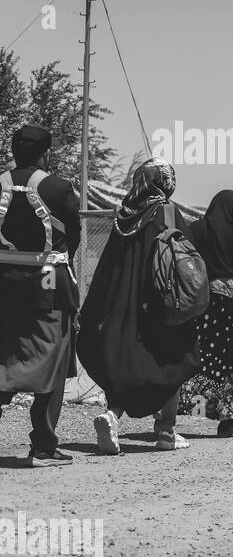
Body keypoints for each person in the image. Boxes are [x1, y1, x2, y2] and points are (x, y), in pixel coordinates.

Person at [79, 159, 201, 453]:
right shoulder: (167, 211)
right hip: (159, 302)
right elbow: (183, 253)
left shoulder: (124, 216)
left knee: (127, 363)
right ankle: (166, 432)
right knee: (176, 358)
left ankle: (113, 416)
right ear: (163, 182)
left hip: (123, 306)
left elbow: (108, 265)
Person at [0, 125, 81, 467]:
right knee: (51, 359)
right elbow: (73, 236)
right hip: (47, 283)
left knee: (4, 355)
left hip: (4, 283)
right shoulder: (60, 188)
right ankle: (44, 446)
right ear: (46, 154)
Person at [179, 190, 233, 437]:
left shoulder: (198, 229)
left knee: (195, 353)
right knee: (227, 361)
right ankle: (226, 421)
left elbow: (186, 258)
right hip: (230, 306)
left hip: (203, 302)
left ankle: (177, 411)